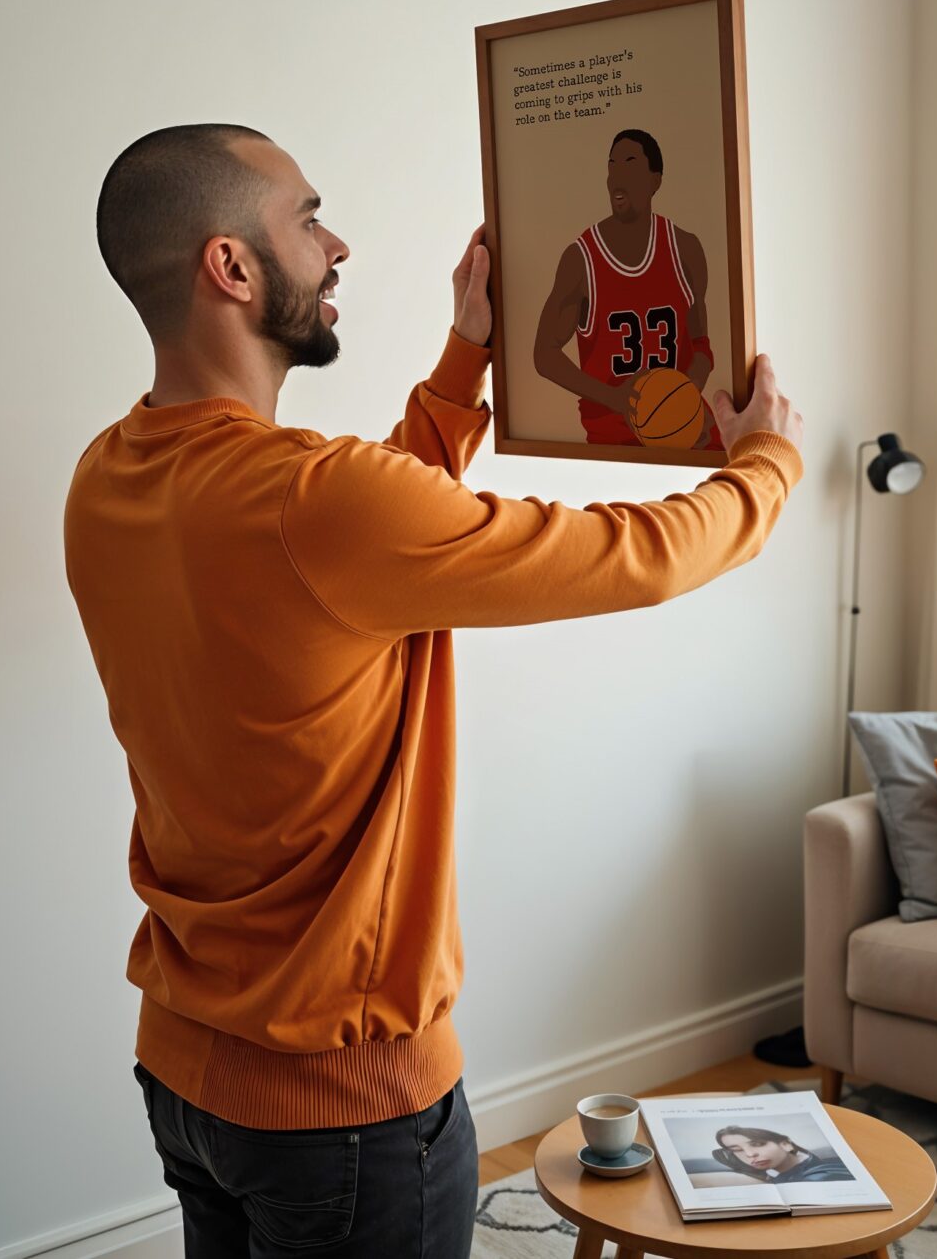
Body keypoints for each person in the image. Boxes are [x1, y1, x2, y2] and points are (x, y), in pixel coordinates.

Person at [64, 123, 804, 1258]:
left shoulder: (107, 477)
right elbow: (633, 557)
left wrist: (468, 358)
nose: (337, 245)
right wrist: (767, 466)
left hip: (185, 1075)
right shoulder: (315, 503)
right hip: (345, 1107)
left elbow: (353, 542)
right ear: (232, 267)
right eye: (309, 219)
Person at [533, 128, 726, 449]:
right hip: (616, 434)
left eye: (630, 163)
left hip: (682, 420)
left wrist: (687, 393)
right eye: (612, 165)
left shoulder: (685, 249)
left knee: (724, 466)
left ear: (655, 180)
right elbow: (544, 354)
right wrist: (614, 398)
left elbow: (700, 344)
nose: (617, 175)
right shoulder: (581, 260)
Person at [714, 1125, 853, 1184]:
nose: (749, 1154)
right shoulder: (775, 1172)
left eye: (757, 1144)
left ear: (785, 1144)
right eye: (736, 1150)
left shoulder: (817, 1177)